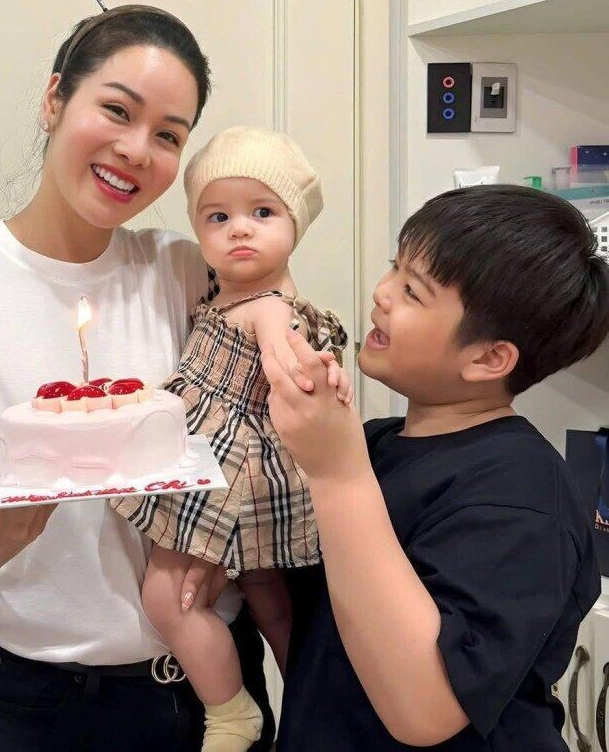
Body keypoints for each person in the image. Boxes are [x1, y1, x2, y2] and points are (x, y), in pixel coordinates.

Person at [0, 5, 274, 751]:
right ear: (54, 98)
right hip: (35, 706)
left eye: (168, 135)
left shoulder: (192, 272)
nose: (136, 150)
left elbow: (266, 429)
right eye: (117, 110)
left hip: (216, 690)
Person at [261, 185, 609, 750]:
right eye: (393, 268)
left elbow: (426, 709)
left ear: (489, 358)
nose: (381, 293)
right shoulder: (376, 442)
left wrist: (337, 474)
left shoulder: (525, 492)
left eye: (412, 292)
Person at [112, 126, 350, 751]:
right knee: (268, 594)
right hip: (240, 464)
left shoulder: (269, 307)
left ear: (296, 224)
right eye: (218, 217)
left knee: (167, 596)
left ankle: (229, 712)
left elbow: (284, 348)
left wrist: (307, 365)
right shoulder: (230, 294)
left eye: (262, 212)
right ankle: (322, 707)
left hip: (224, 468)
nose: (239, 229)